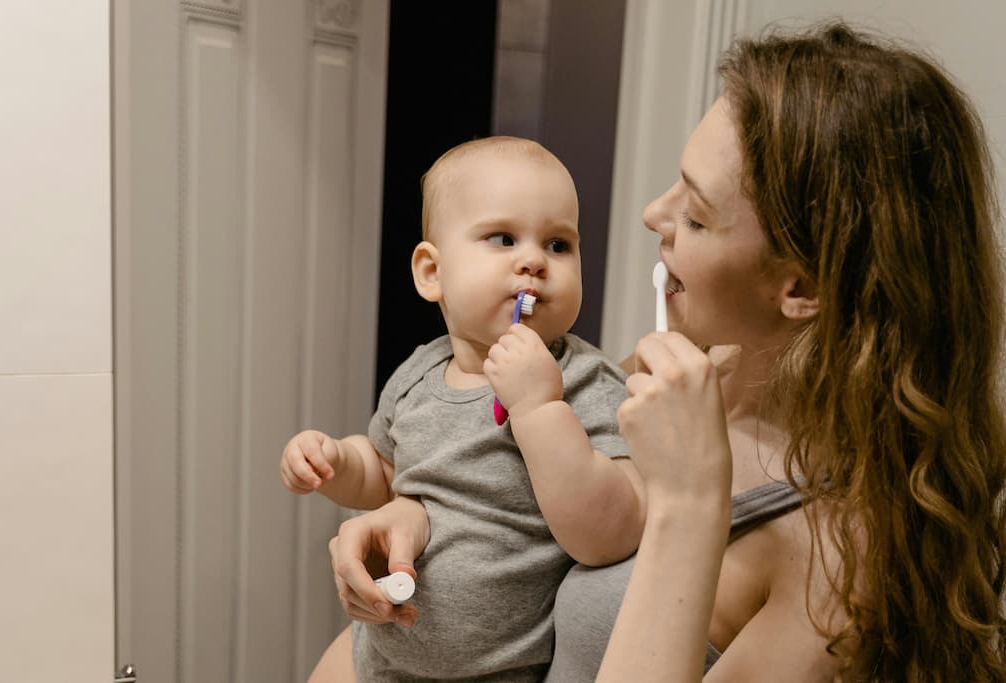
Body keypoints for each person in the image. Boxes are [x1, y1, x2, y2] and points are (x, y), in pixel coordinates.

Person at [319, 20, 1006, 682]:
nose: (654, 212)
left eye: (697, 214)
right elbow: (499, 531)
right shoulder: (661, 384)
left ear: (798, 286)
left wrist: (686, 504)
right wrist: (407, 520)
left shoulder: (841, 560)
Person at [280, 136, 646, 681]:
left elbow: (611, 533)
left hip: (498, 672)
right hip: (382, 658)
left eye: (558, 245)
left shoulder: (584, 380)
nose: (533, 262)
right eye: (503, 238)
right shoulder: (419, 374)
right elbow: (385, 473)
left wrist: (538, 407)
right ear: (433, 273)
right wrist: (332, 460)